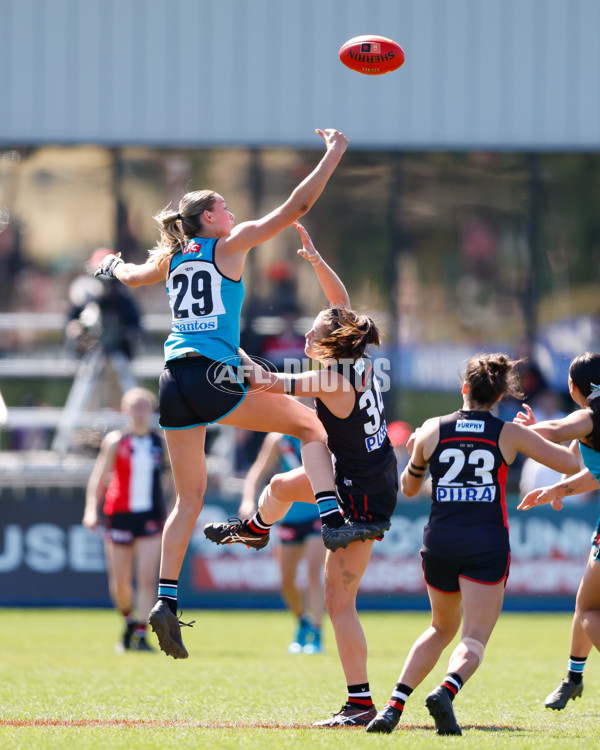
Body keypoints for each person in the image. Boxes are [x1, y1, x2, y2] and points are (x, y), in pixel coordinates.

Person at [93, 128, 352, 659]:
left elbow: (136, 276)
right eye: (224, 207)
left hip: (172, 380)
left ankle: (165, 600)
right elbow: (298, 204)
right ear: (208, 218)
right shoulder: (227, 246)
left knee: (188, 499)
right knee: (311, 425)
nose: (231, 213)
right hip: (213, 372)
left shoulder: (174, 257)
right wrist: (334, 153)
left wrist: (110, 264)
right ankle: (331, 518)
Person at [204, 221, 398, 727]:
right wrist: (314, 260)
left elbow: (268, 382)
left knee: (337, 600)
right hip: (366, 477)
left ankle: (359, 704)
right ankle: (256, 527)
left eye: (314, 331)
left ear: (331, 341)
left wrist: (229, 346)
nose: (306, 334)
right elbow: (343, 303)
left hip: (359, 493)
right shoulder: (358, 357)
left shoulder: (330, 376)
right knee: (279, 485)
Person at [365, 353, 579, 736]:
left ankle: (393, 706)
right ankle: (446, 691)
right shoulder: (507, 432)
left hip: (440, 541)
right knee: (474, 636)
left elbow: (409, 490)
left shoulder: (432, 428)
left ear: (464, 388)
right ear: (499, 397)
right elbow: (567, 463)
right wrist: (557, 429)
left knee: (438, 628)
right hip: (486, 541)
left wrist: (417, 453)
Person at [515, 351, 600, 710]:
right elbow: (595, 473)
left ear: (572, 386)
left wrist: (506, 431)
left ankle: (572, 679)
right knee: (586, 604)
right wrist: (556, 490)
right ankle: (572, 680)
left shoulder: (590, 417)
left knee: (588, 612)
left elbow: (555, 429)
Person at [82, 387, 169, 653]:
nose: (140, 412)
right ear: (125, 410)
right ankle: (129, 620)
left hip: (151, 515)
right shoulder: (116, 441)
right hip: (119, 514)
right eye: (135, 407)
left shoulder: (160, 441)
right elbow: (99, 477)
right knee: (120, 583)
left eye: (145, 406)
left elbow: (171, 479)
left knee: (146, 577)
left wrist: (178, 508)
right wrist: (90, 510)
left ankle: (142, 634)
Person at [238, 430, 325, 654]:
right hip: (288, 516)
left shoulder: (321, 432)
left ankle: (317, 631)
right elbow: (257, 471)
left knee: (315, 571)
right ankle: (302, 621)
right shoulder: (279, 438)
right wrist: (248, 500)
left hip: (319, 514)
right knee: (286, 580)